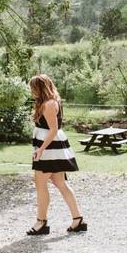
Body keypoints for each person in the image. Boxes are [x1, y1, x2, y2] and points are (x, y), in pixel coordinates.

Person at [27, 74, 85, 236]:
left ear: (40, 88)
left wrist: (41, 149)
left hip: (49, 149)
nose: (32, 92)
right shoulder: (49, 102)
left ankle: (41, 221)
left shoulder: (49, 104)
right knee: (60, 183)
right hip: (50, 147)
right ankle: (78, 219)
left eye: (33, 88)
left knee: (41, 183)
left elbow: (53, 130)